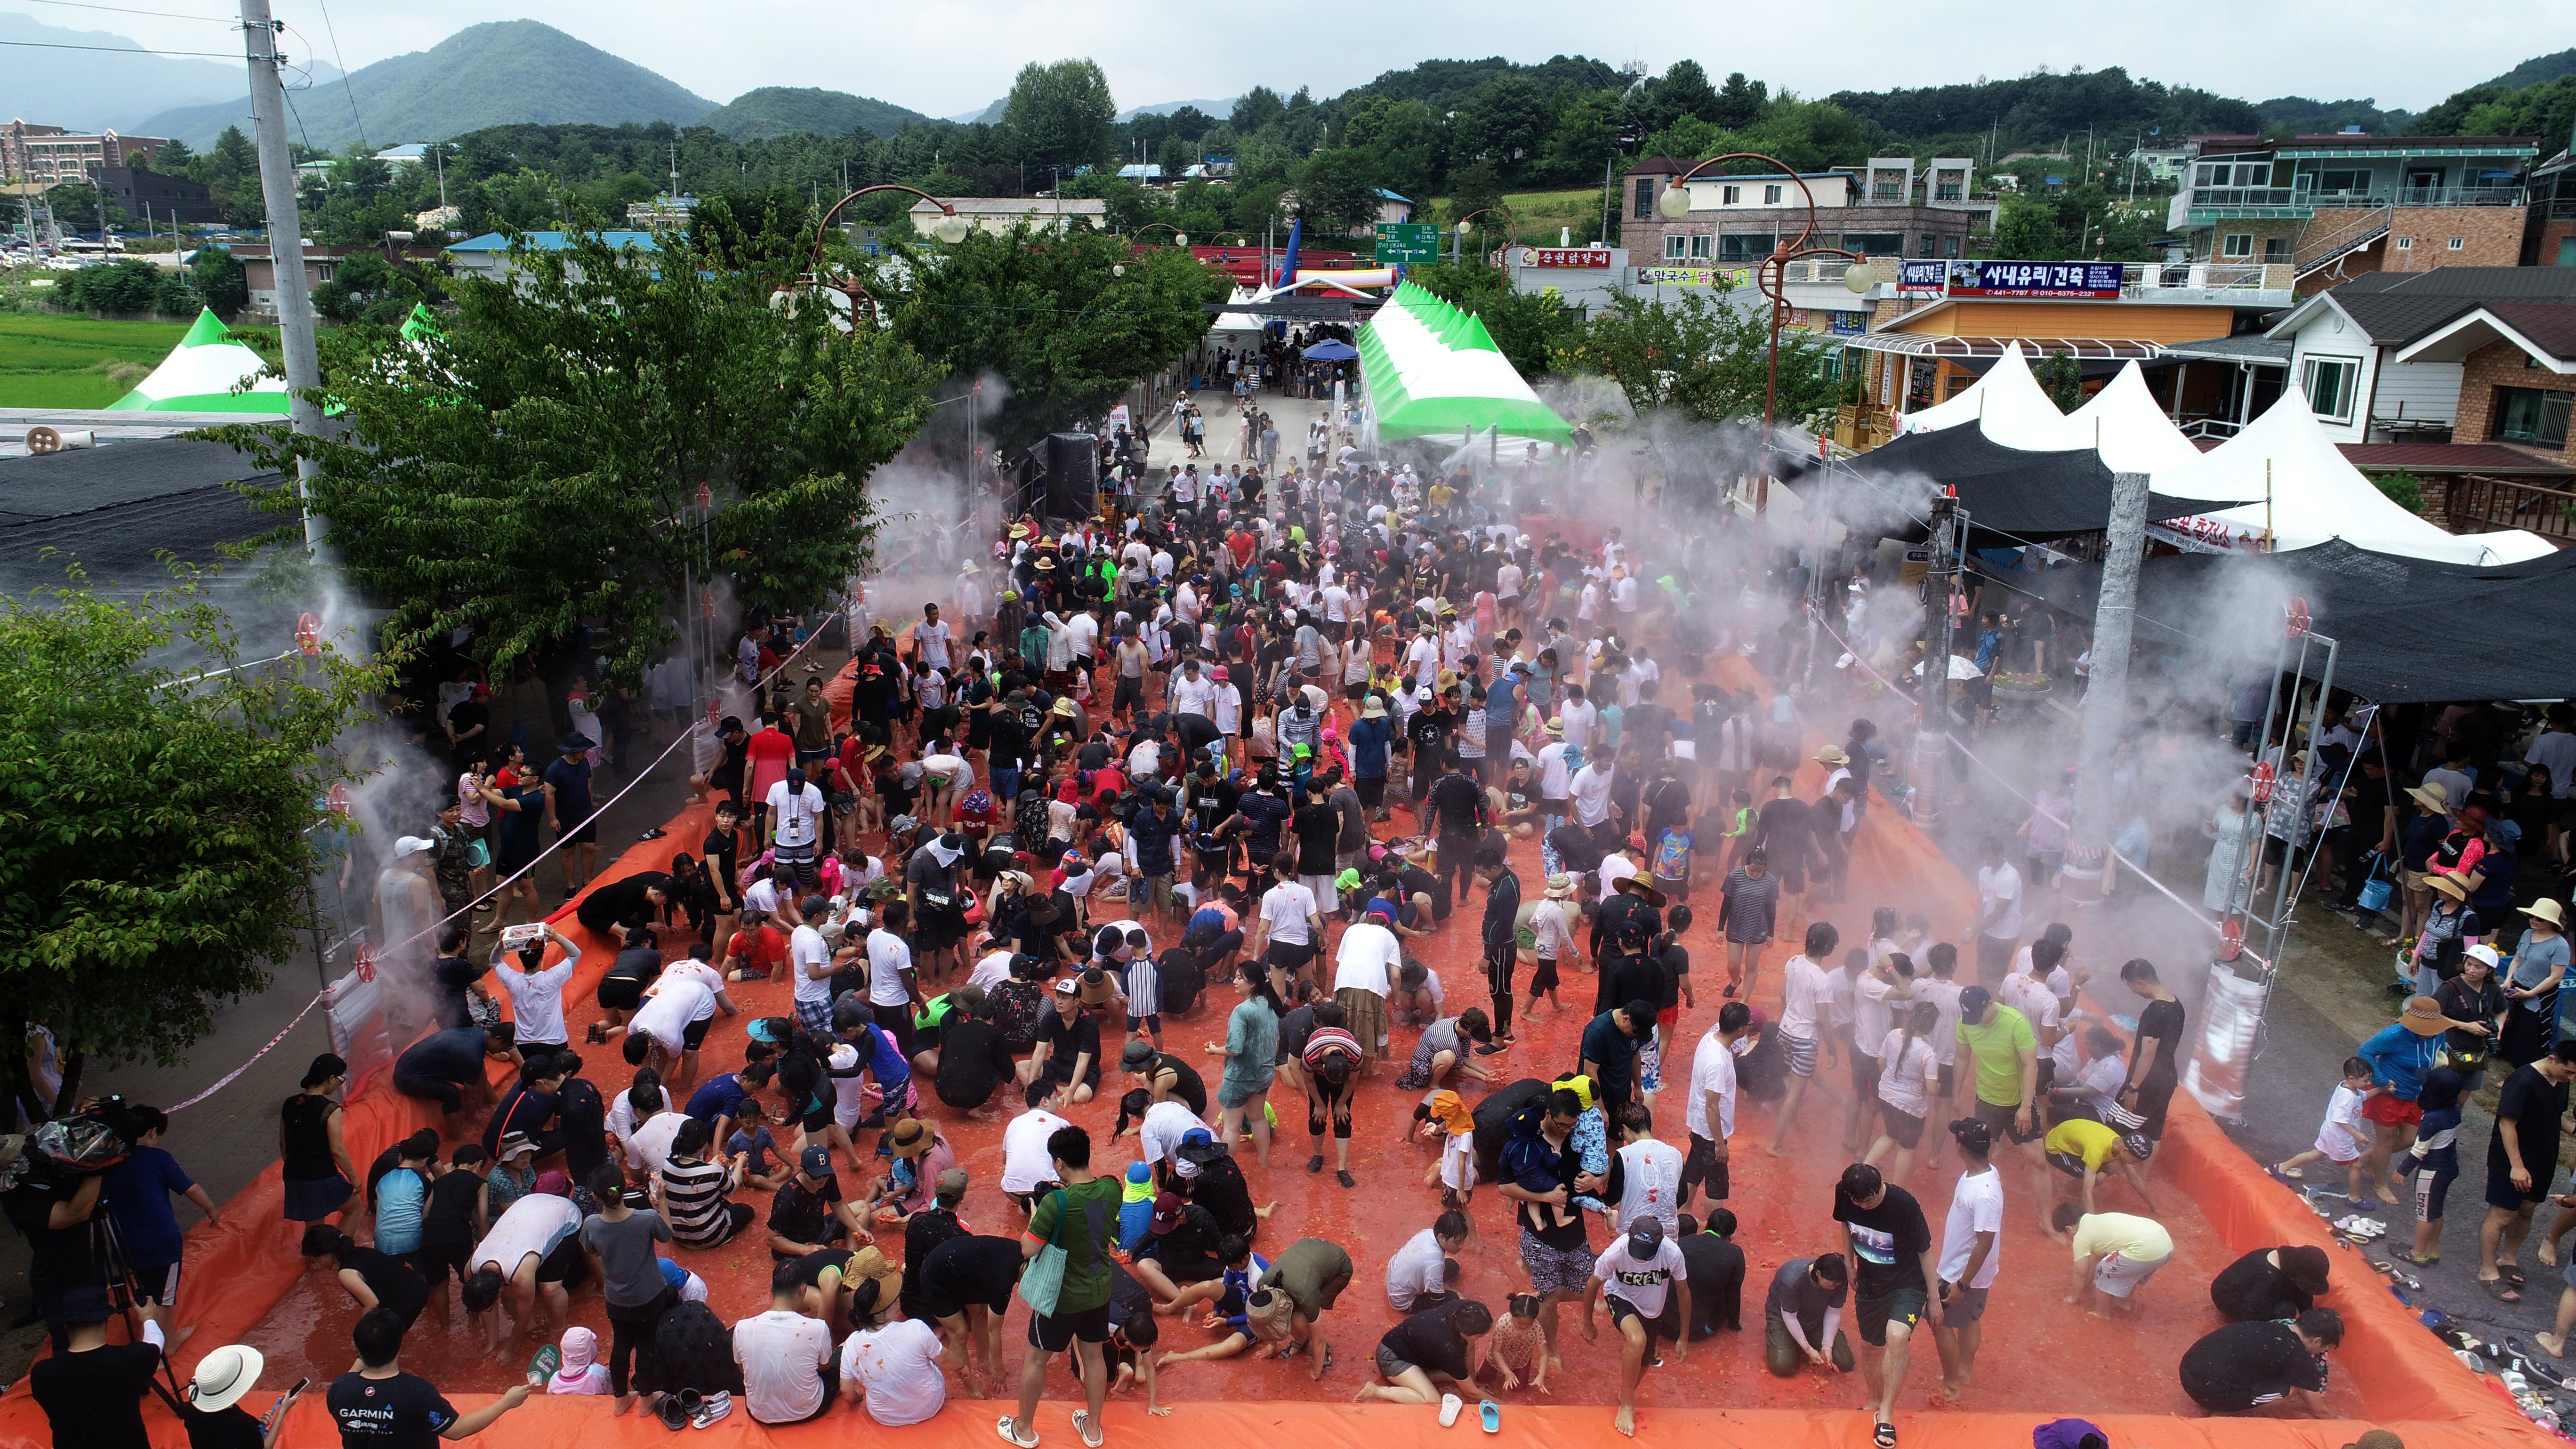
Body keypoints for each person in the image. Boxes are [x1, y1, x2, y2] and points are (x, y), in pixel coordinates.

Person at [1001, 1124, 1121, 1449]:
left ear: (1059, 1163)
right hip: (1100, 1289)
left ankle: (1024, 1429)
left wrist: (1037, 1213)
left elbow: (1028, 1248)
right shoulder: (1113, 1189)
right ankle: (1093, 1428)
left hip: (1060, 1298)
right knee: (1094, 1357)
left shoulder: (1056, 1203)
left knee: (1036, 1360)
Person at [1832, 1162, 1938, 1446]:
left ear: (1880, 1188)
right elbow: (1845, 1223)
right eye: (1857, 1202)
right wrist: (1848, 1262)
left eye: (1868, 1201)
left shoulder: (1905, 1205)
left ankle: (1887, 1415)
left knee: (1897, 1336)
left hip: (1908, 1282)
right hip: (1870, 1283)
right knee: (1870, 1347)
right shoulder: (1845, 1192)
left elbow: (1925, 1251)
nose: (1862, 1207)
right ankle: (1876, 1400)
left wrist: (1935, 1298)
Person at [329, 1305, 531, 1446]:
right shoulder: (417, 1393)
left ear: (359, 1348)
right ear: (400, 1346)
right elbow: (457, 1430)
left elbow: (356, 1379)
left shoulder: (339, 1389)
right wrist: (507, 1402)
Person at [100, 1103, 220, 1334]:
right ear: (152, 1132)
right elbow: (191, 1189)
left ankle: (149, 1328)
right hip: (162, 1242)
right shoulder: (158, 1159)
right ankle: (168, 1341)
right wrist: (212, 1208)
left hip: (125, 1243)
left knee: (143, 1288)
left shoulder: (109, 1161)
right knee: (165, 1295)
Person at [2477, 1041, 2576, 1303]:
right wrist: (2517, 1166)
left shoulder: (2561, 1080)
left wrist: (2573, 1130)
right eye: (2569, 1072)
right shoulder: (2522, 1081)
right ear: (2553, 1059)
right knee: (2502, 1214)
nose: (2572, 1078)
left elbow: (2555, 1115)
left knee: (2526, 1211)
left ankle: (2509, 1258)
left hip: (2542, 1160)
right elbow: (2507, 1123)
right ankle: (2488, 1271)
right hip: (2512, 1161)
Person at [1953, 985, 2048, 1238]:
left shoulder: (2016, 1023)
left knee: (2038, 1161)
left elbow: (2031, 1065)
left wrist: (2026, 1107)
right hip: (1987, 1099)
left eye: (1977, 1015)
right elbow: (1962, 1057)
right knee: (1980, 1160)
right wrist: (1956, 1093)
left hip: (2018, 1101)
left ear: (1989, 1004)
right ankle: (1973, 1216)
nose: (1974, 1022)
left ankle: (2046, 1220)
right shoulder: (1966, 1021)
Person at [579, 1163, 675, 1415]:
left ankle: (621, 1398)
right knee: (646, 1346)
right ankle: (646, 1399)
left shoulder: (591, 1225)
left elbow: (590, 1250)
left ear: (595, 1196)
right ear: (625, 1190)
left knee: (621, 1345)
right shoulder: (647, 1218)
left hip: (617, 1298)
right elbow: (667, 1235)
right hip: (649, 1295)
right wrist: (662, 1201)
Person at [1580, 1215, 1689, 1437]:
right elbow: (1592, 1285)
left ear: (1661, 1243)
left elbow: (1684, 1292)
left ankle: (1625, 1392)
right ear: (1628, 1236)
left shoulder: (1672, 1253)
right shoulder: (1617, 1251)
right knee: (1637, 1340)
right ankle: (1627, 1404)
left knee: (1646, 1358)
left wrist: (1684, 1336)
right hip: (1620, 1296)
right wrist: (1587, 1323)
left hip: (1652, 1307)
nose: (1640, 1260)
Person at [459, 1179, 587, 1354]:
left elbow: (523, 1316)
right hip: (528, 1208)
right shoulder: (471, 1269)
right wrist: (491, 1344)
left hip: (566, 1214)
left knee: (549, 1289)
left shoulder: (521, 1276)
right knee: (512, 1297)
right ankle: (532, 1330)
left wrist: (510, 1350)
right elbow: (487, 1308)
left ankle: (559, 1329)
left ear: (498, 1292)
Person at [29, 1284, 165, 1449]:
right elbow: (156, 1341)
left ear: (65, 1325)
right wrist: (148, 1318)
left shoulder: (42, 1374)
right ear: (106, 1321)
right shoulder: (131, 1360)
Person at [1929, 1117, 2001, 1405]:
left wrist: (1962, 1284)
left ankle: (1952, 1386)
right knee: (1970, 1319)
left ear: (1961, 1147)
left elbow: (1985, 1241)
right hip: (1970, 1270)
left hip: (1962, 1272)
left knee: (1940, 1322)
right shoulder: (1981, 1173)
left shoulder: (1985, 1194)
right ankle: (1963, 1371)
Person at [2177, 1308, 2343, 1418]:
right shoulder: (2298, 1357)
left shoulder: (2274, 1326)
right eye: (2325, 1347)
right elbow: (2320, 1411)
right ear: (2317, 1341)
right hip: (2207, 1393)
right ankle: (2227, 1414)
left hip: (2188, 1370)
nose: (2323, 1352)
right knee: (2292, 1388)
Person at [734, 1258, 836, 1425]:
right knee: (839, 1357)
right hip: (809, 1410)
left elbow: (743, 1369)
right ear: (803, 1290)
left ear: (771, 1288)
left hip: (759, 1413)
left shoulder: (741, 1328)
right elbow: (825, 1365)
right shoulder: (817, 1328)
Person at [1767, 921, 1839, 1155]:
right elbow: (1823, 1020)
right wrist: (1832, 1049)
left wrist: (1784, 1021)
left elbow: (1783, 996)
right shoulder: (1823, 981)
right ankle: (1776, 1144)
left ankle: (1788, 1118)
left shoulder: (1794, 961)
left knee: (1791, 1077)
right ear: (1828, 948)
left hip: (1787, 1030)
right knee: (1797, 1089)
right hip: (1805, 1039)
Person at [2272, 1057, 2380, 1205]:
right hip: (2340, 1138)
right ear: (2352, 1078)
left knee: (2316, 1154)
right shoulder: (2348, 1097)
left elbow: (2364, 1097)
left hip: (2330, 1133)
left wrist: (2381, 1090)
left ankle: (2282, 1167)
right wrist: (2356, 1134)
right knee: (2356, 1165)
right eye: (2366, 1081)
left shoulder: (2348, 1088)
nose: (2368, 1084)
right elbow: (2339, 1119)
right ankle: (2354, 1198)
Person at [1352, 1298, 1495, 1407]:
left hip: (1412, 1351)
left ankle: (1419, 1379)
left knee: (1463, 1377)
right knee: (1433, 1401)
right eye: (1479, 1336)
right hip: (1392, 1359)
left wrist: (1473, 1381)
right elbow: (1470, 1392)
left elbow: (1470, 1346)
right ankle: (1377, 1391)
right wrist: (1504, 1404)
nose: (1481, 1338)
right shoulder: (1449, 1349)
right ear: (1466, 1333)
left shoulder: (1463, 1310)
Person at [841, 1292, 949, 1427]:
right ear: (883, 1312)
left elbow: (847, 1392)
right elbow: (945, 1359)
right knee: (930, 1358)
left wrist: (859, 1398)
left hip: (884, 1415)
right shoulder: (916, 1327)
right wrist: (962, 1367)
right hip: (930, 1406)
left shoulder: (850, 1344)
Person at [2049, 1202, 2174, 1317]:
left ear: (2069, 1230)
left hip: (2146, 1250)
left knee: (2104, 1269)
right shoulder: (2097, 1220)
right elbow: (2098, 1257)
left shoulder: (2081, 1236)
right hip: (2165, 1246)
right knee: (2125, 1268)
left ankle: (2102, 1314)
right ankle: (2124, 1305)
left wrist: (2073, 1297)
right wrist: (2087, 1283)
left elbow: (2080, 1273)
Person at [302, 1223, 431, 1333]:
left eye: (315, 1259)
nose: (316, 1264)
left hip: (407, 1302)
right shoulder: (359, 1252)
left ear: (325, 1255)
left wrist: (362, 1332)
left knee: (376, 1348)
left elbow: (372, 1304)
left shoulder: (346, 1273)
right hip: (417, 1287)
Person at [1211, 966, 1280, 1166]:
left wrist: (1214, 1050)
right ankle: (1264, 1161)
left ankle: (1226, 1170)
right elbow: (1276, 1040)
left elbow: (1234, 1049)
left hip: (1240, 1077)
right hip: (1264, 1074)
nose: (1235, 981)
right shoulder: (1269, 1005)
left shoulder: (1242, 1011)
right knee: (1258, 1118)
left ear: (1253, 984)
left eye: (1240, 978)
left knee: (1231, 1128)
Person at [282, 1053, 359, 1229]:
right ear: (331, 1079)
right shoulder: (330, 1109)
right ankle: (341, 1252)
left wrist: (296, 1169)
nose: (340, 1083)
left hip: (293, 1175)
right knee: (354, 1208)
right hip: (321, 1175)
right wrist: (354, 1178)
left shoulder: (289, 1104)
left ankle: (314, 1255)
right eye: (341, 1079)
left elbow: (283, 1144)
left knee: (314, 1223)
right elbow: (337, 1150)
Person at [183, 1342, 301, 1449]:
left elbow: (221, 1435)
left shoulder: (190, 1409)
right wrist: (282, 1411)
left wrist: (255, 1427)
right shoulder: (243, 1423)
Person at [2042, 1116, 2159, 1217]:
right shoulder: (2097, 1150)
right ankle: (2063, 1191)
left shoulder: (2119, 1143)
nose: (2134, 1165)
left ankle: (2072, 1188)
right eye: (2135, 1162)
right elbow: (2087, 1192)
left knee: (2108, 1170)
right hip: (2055, 1148)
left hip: (2069, 1137)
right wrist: (2095, 1226)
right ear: (2125, 1151)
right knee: (2097, 1179)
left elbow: (2135, 1180)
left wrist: (2154, 1208)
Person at [1762, 1254, 1855, 1377]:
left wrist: (1827, 1347)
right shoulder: (1792, 1280)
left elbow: (1833, 1312)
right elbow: (1790, 1317)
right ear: (1818, 1274)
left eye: (1837, 1286)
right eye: (1832, 1285)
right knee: (1783, 1366)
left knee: (1846, 1363)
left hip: (1816, 1317)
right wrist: (1809, 1350)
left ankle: (1799, 1340)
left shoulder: (1839, 1282)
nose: (1834, 1289)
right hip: (1783, 1317)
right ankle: (1781, 1337)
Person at [1716, 847, 1781, 1000]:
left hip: (1758, 928)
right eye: (1753, 870)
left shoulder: (1771, 881)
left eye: (1760, 871)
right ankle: (1735, 981)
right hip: (1736, 926)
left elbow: (1771, 909)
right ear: (1747, 864)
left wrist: (1771, 933)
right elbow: (1726, 904)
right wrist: (1720, 928)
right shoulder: (1734, 876)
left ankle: (1744, 1001)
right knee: (1733, 965)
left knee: (1751, 966)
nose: (1756, 874)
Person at [2210, 1245, 2334, 1324]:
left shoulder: (2288, 1263)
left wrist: (2308, 1315)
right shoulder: (2269, 1280)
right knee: (2285, 1310)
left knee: (2292, 1296)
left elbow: (2303, 1290)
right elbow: (2251, 1313)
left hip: (2253, 1290)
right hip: (2228, 1297)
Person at [1674, 1209, 1745, 1341]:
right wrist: (1735, 1326)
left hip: (1665, 1326)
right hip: (1697, 1332)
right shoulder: (1735, 1254)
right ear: (1733, 1234)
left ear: (1706, 1224)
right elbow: (1733, 1295)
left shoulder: (1683, 1242)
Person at [1386, 1210, 1472, 1313]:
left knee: (1454, 1265)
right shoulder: (1435, 1262)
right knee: (1460, 1300)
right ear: (1441, 1237)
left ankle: (1435, 1284)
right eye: (1457, 1242)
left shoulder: (1427, 1232)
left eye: (1463, 1240)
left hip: (1393, 1280)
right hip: (1403, 1301)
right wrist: (1448, 1294)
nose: (1461, 1246)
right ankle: (1435, 1287)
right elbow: (1438, 1302)